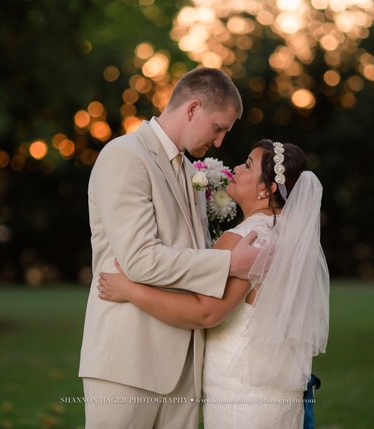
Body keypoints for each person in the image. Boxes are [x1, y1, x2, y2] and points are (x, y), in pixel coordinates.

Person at [98, 140, 330, 429]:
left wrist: (131, 290)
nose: (235, 168)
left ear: (267, 189)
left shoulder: (247, 237)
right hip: (278, 393)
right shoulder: (292, 235)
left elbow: (205, 312)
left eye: (247, 165)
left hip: (240, 391)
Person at [80, 67, 262, 429]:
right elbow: (140, 261)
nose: (222, 142)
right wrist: (228, 263)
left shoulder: (189, 171)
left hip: (185, 367)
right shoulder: (125, 156)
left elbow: (185, 254)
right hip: (129, 363)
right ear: (193, 109)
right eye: (219, 128)